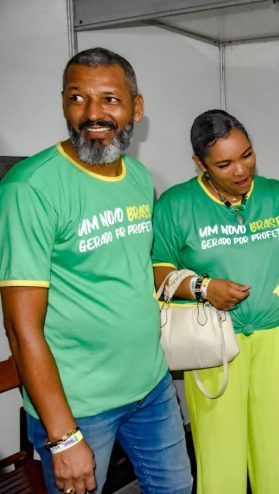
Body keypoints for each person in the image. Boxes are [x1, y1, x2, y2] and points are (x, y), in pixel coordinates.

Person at [0, 47, 192, 494]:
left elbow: (133, 273)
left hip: (151, 386)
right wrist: (63, 435)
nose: (93, 114)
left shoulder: (139, 178)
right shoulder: (29, 189)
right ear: (64, 104)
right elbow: (20, 326)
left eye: (109, 99)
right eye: (77, 98)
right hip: (78, 407)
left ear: (135, 108)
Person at [151, 108, 279, 493]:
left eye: (247, 155)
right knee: (219, 452)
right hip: (211, 341)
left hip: (276, 337)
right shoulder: (176, 205)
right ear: (200, 164)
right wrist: (203, 288)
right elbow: (157, 272)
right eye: (225, 164)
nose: (241, 170)